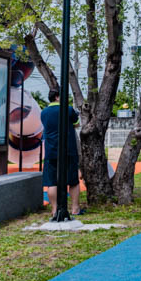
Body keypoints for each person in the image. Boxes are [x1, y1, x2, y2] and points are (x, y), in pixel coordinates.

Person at [41, 88, 82, 216]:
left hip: (51, 149)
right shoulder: (68, 109)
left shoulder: (44, 112)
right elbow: (77, 123)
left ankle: (54, 210)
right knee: (73, 180)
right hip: (68, 149)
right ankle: (75, 208)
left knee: (52, 182)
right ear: (58, 97)